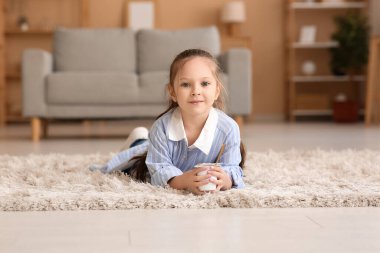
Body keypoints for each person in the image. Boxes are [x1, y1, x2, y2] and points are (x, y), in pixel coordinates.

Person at [90, 48, 245, 195]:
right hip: (150, 157)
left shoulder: (229, 128)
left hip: (163, 150)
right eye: (185, 84)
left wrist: (226, 179)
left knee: (146, 147)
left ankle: (141, 139)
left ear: (217, 90)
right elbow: (158, 171)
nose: (196, 91)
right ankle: (137, 141)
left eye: (204, 83)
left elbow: (233, 168)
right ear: (172, 92)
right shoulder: (162, 127)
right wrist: (183, 181)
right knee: (134, 165)